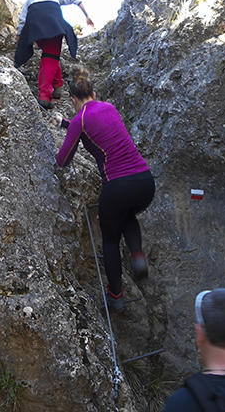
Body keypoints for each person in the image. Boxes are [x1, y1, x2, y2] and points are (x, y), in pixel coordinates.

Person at [53, 67, 155, 312]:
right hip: (144, 182)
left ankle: (116, 297)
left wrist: (68, 127)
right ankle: (138, 256)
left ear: (73, 99)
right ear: (94, 93)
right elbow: (98, 129)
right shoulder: (108, 107)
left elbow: (63, 160)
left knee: (110, 240)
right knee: (127, 214)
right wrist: (66, 124)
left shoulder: (81, 119)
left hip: (117, 186)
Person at [14, 0, 94, 110]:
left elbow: (22, 22)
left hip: (35, 29)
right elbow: (76, 0)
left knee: (50, 55)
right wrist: (87, 15)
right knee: (50, 56)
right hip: (54, 25)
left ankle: (57, 85)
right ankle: (45, 96)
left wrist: (19, 43)